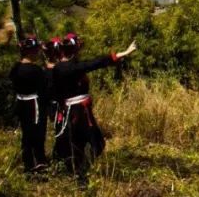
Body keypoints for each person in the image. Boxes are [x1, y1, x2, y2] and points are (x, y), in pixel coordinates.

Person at [51, 32, 137, 183]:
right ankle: (81, 174)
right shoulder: (69, 68)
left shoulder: (60, 68)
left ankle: (80, 172)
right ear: (75, 50)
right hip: (77, 112)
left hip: (75, 111)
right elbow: (96, 62)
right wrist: (125, 52)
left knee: (84, 142)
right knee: (91, 142)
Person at [8, 36, 50, 173]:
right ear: (32, 52)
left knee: (26, 134)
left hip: (21, 103)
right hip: (34, 104)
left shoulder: (16, 68)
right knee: (37, 133)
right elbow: (45, 88)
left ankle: (28, 163)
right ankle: (40, 162)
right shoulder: (35, 70)